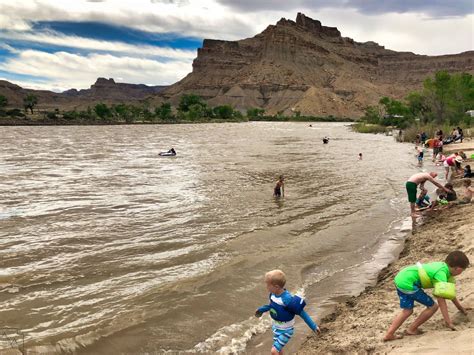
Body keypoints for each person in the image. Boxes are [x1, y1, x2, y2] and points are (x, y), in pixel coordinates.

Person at [383, 251, 470, 341]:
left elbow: (450, 294)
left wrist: (461, 309)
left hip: (401, 278)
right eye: (463, 270)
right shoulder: (441, 274)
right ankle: (411, 329)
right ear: (458, 269)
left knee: (407, 311)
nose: (462, 272)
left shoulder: (446, 272)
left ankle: (389, 334)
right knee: (433, 306)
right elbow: (441, 299)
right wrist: (448, 322)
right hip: (409, 283)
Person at [255, 270, 320, 354]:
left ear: (276, 286)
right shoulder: (273, 295)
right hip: (276, 328)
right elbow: (271, 306)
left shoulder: (287, 299)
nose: (266, 286)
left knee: (274, 351)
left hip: (286, 330)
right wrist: (261, 310)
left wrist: (314, 326)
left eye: (268, 284)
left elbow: (302, 313)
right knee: (279, 350)